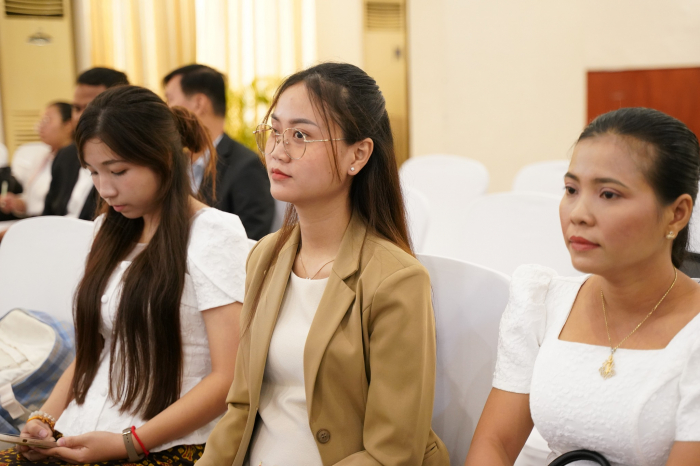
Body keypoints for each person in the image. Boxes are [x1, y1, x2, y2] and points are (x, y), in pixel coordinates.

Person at [197, 62, 449, 466]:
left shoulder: (396, 279)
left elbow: (392, 452)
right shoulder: (265, 256)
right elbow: (241, 406)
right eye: (275, 131)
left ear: (358, 154)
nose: (278, 151)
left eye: (301, 135)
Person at [0, 85, 248, 465]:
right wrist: (43, 419)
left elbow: (227, 377)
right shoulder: (110, 229)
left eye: (118, 171)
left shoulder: (213, 235)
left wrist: (128, 443)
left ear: (165, 159)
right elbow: (97, 348)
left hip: (165, 444)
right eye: (94, 173)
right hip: (83, 431)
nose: (105, 189)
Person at [465, 108, 700, 466]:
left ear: (677, 213)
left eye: (608, 194)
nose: (578, 213)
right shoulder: (541, 302)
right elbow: (494, 443)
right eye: (571, 189)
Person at [163, 64, 275, 240]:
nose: (166, 110)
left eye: (169, 99)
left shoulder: (246, 166)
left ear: (199, 103)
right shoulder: (173, 162)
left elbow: (252, 240)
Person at [42, 67, 129, 219]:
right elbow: (48, 216)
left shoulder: (127, 159)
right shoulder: (65, 156)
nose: (79, 117)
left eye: (90, 107)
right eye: (76, 108)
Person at [0, 102, 73, 219]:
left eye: (47, 120)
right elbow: (31, 202)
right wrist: (16, 203)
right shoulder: (43, 156)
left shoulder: (74, 163)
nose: (40, 126)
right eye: (41, 121)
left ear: (68, 125)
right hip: (33, 220)